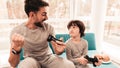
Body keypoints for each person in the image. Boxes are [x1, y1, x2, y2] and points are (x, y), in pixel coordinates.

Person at [8, 0, 75, 68]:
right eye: (43, 14)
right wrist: (16, 49)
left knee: (70, 65)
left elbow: (57, 51)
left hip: (49, 59)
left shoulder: (49, 28)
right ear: (32, 15)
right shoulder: (17, 32)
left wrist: (59, 51)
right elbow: (13, 64)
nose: (47, 18)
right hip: (31, 60)